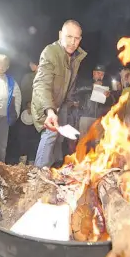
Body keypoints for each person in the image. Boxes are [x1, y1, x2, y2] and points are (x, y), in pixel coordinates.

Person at [32, 20, 87, 167]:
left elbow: (68, 83)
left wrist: (70, 102)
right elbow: (41, 83)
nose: (72, 42)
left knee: (60, 138)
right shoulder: (51, 52)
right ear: (61, 35)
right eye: (69, 37)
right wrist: (50, 111)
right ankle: (38, 175)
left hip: (61, 103)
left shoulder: (75, 57)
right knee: (50, 134)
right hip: (46, 102)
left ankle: (54, 169)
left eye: (76, 38)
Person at [74, 65, 114, 137]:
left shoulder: (105, 87)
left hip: (99, 118)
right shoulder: (86, 82)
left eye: (102, 74)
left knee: (96, 141)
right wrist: (91, 86)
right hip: (86, 116)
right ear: (93, 73)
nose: (100, 76)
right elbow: (76, 91)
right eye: (98, 73)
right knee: (83, 141)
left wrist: (108, 97)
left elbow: (111, 103)